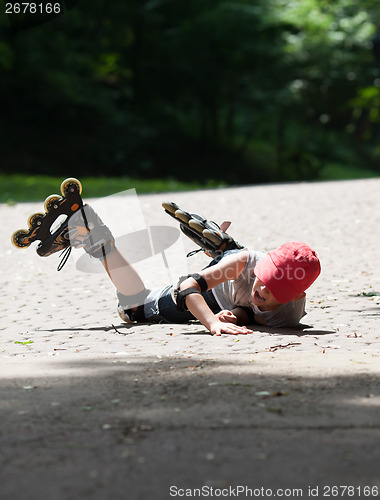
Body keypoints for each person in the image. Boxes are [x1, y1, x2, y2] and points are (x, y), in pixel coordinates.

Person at [59, 201, 321, 336]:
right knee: (133, 308)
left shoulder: (288, 318)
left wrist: (233, 317)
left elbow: (251, 312)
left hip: (231, 290)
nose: (262, 287)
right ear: (264, 263)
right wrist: (211, 323)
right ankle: (94, 233)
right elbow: (188, 286)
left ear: (296, 297)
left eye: (275, 288)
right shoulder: (249, 262)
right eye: (264, 276)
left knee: (239, 277)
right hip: (218, 287)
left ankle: (222, 250)